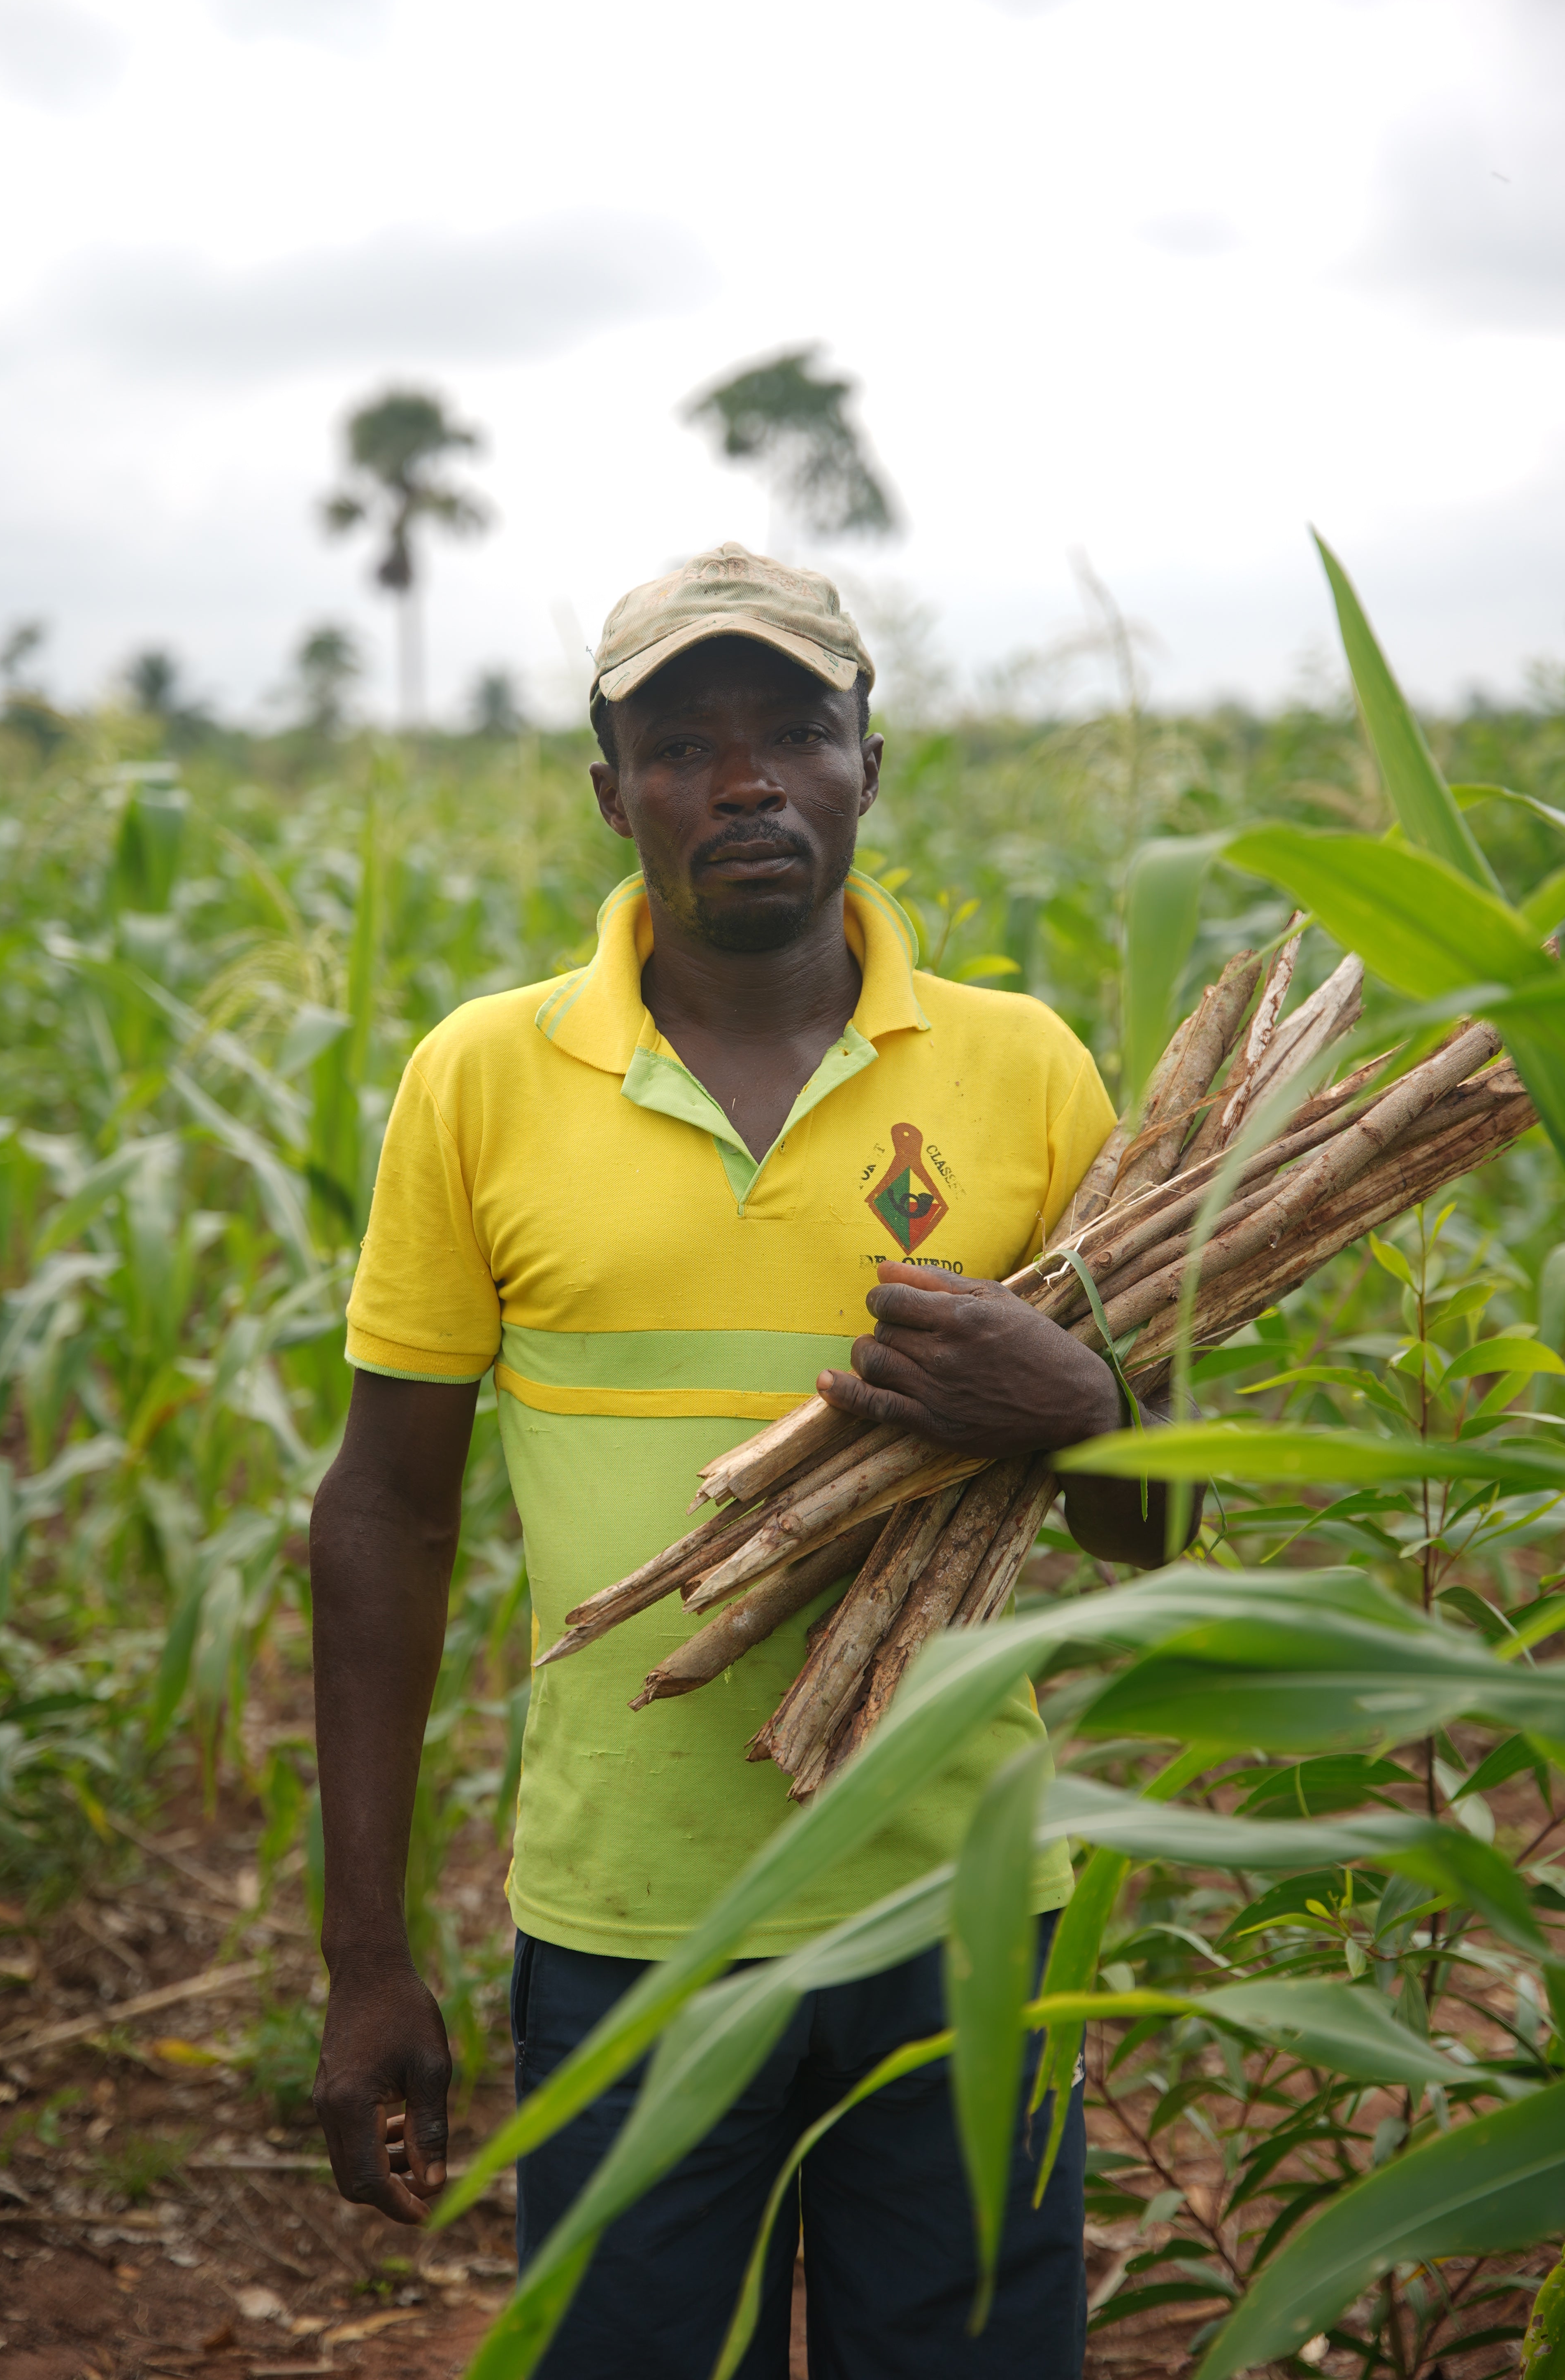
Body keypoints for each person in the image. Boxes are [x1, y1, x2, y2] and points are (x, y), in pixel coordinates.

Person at [309, 544, 1181, 2378]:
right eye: (686, 741)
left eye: (793, 728)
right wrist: (365, 1956)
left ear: (872, 759)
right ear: (609, 786)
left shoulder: (1030, 1076)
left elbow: (1156, 1531)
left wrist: (1085, 1403)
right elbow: (382, 1511)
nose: (746, 779)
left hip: (961, 1913)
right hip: (630, 1920)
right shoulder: (483, 1077)